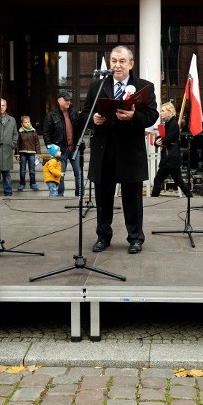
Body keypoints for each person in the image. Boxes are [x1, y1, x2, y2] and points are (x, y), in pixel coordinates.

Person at [84, 45, 158, 255]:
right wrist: (94, 120)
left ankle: (135, 238)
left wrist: (134, 117)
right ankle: (103, 236)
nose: (117, 65)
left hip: (129, 152)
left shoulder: (144, 87)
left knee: (132, 198)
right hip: (104, 149)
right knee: (103, 197)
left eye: (122, 61)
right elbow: (85, 115)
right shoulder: (97, 86)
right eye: (114, 61)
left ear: (131, 64)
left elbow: (152, 116)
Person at [43, 90, 84, 197]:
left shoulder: (74, 112)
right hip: (60, 150)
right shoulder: (51, 115)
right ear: (59, 100)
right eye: (66, 100)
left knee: (79, 174)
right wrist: (50, 147)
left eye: (69, 100)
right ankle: (59, 196)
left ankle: (79, 196)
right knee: (59, 175)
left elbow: (80, 127)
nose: (68, 102)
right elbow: (46, 133)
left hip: (75, 148)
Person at [151, 102, 192, 198]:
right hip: (171, 155)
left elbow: (166, 139)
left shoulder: (173, 124)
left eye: (163, 111)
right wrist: (157, 141)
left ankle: (153, 200)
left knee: (158, 179)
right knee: (179, 180)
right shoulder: (169, 123)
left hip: (170, 156)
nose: (160, 113)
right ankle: (190, 196)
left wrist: (159, 141)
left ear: (169, 112)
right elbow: (161, 137)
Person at [17, 115, 41, 191]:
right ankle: (22, 183)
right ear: (22, 124)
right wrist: (17, 154)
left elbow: (37, 143)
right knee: (22, 169)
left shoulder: (33, 132)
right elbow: (17, 144)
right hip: (22, 152)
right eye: (25, 122)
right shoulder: (20, 132)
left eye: (28, 122)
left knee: (32, 169)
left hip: (32, 152)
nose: (27, 123)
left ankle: (33, 183)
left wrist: (38, 153)